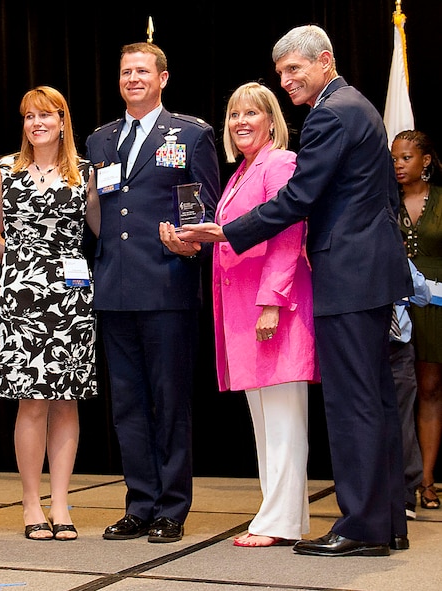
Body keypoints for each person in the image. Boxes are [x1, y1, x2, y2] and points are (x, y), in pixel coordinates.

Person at [164, 25, 412, 556]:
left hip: (348, 273)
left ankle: (363, 527)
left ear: (325, 61)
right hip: (367, 270)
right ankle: (387, 520)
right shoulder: (356, 106)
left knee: (353, 406)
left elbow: (298, 198)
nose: (288, 81)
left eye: (294, 70)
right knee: (375, 401)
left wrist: (228, 232)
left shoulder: (331, 113)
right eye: (281, 73)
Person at [162, 82, 317, 547]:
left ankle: (280, 521)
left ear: (272, 120)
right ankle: (280, 516)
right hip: (244, 316)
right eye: (234, 115)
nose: (242, 122)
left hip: (274, 309)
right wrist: (190, 242)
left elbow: (289, 233)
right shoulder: (241, 173)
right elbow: (229, 235)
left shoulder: (280, 163)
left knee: (285, 423)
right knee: (266, 424)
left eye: (253, 113)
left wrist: (272, 301)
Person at [84, 42, 220, 543]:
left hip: (167, 285)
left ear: (163, 78)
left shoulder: (190, 134)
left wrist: (189, 244)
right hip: (115, 288)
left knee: (170, 401)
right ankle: (139, 503)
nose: (133, 78)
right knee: (127, 405)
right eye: (126, 72)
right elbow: (97, 212)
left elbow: (203, 204)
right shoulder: (100, 141)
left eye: (143, 71)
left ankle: (171, 508)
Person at [0, 86, 100, 541]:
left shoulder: (85, 172)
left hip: (71, 296)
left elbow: (102, 231)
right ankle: (31, 505)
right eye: (29, 116)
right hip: (21, 295)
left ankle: (59, 504)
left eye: (46, 115)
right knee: (31, 402)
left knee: (66, 400)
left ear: (62, 120)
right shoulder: (4, 170)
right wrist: (21, 267)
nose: (37, 123)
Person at [392, 129, 442, 512]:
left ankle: (427, 479)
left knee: (429, 389)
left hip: (436, 304)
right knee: (399, 391)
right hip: (396, 306)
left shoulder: (441, 200)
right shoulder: (384, 200)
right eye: (394, 158)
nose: (398, 164)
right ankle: (405, 481)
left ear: (425, 160)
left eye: (406, 157)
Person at [388, 258, 430, 520]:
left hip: (399, 349)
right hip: (365, 347)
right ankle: (372, 493)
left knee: (402, 421)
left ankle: (405, 492)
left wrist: (407, 269)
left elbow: (423, 297)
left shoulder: (400, 261)